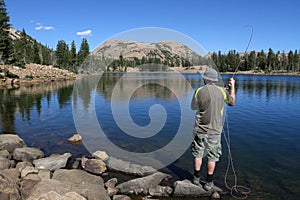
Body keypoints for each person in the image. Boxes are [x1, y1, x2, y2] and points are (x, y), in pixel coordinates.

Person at [191, 67, 236, 191]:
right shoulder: (222, 92)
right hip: (215, 131)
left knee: (198, 153)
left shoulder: (198, 91)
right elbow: (232, 102)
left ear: (204, 79)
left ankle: (196, 178)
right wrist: (232, 87)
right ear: (215, 80)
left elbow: (194, 107)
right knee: (212, 156)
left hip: (200, 129)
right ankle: (209, 182)